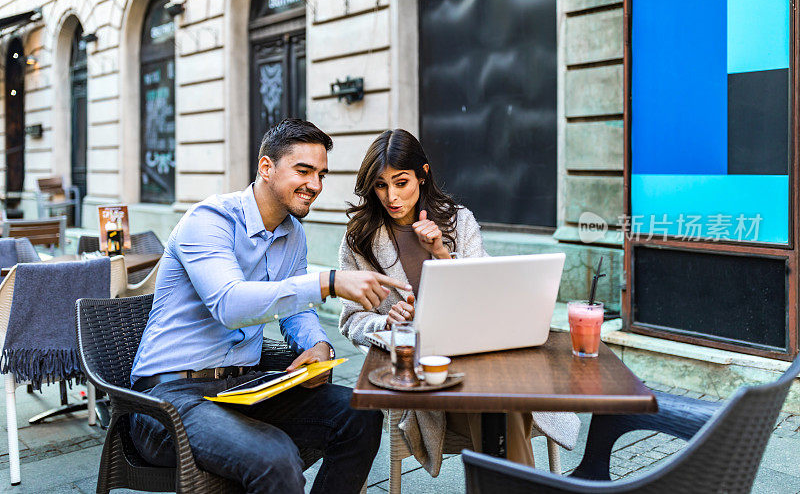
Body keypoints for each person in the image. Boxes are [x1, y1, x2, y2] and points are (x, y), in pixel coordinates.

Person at [129, 119, 411, 494]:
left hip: (244, 389)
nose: (315, 185)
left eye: (321, 174)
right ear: (266, 167)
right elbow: (229, 304)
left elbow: (297, 311)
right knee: (274, 456)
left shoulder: (293, 234)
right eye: (303, 170)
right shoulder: (209, 219)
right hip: (167, 400)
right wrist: (328, 282)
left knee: (360, 412)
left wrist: (318, 347)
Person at [338, 129, 579, 474]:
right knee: (504, 407)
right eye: (380, 185)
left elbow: (487, 296)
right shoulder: (359, 239)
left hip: (480, 360)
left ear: (423, 175)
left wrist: (441, 254)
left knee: (501, 402)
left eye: (401, 182)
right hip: (426, 379)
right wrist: (386, 322)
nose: (391, 196)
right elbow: (350, 321)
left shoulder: (457, 220)